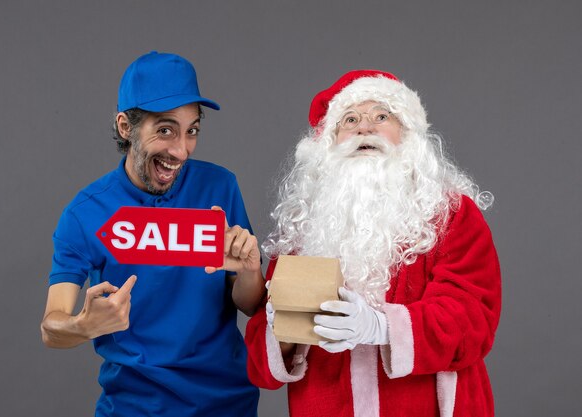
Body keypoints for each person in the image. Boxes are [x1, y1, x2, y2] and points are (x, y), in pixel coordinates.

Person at [245, 70, 501, 417]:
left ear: (407, 134)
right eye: (350, 119)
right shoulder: (302, 231)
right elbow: (261, 361)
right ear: (329, 142)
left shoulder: (451, 215)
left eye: (381, 116)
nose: (364, 128)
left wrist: (381, 326)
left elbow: (473, 317)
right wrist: (283, 327)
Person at [41, 51, 265, 417]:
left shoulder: (219, 188)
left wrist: (250, 270)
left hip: (226, 403)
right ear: (126, 128)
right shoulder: (86, 213)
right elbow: (52, 327)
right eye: (165, 130)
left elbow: (251, 304)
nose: (180, 149)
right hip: (133, 407)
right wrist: (84, 325)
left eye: (191, 130)